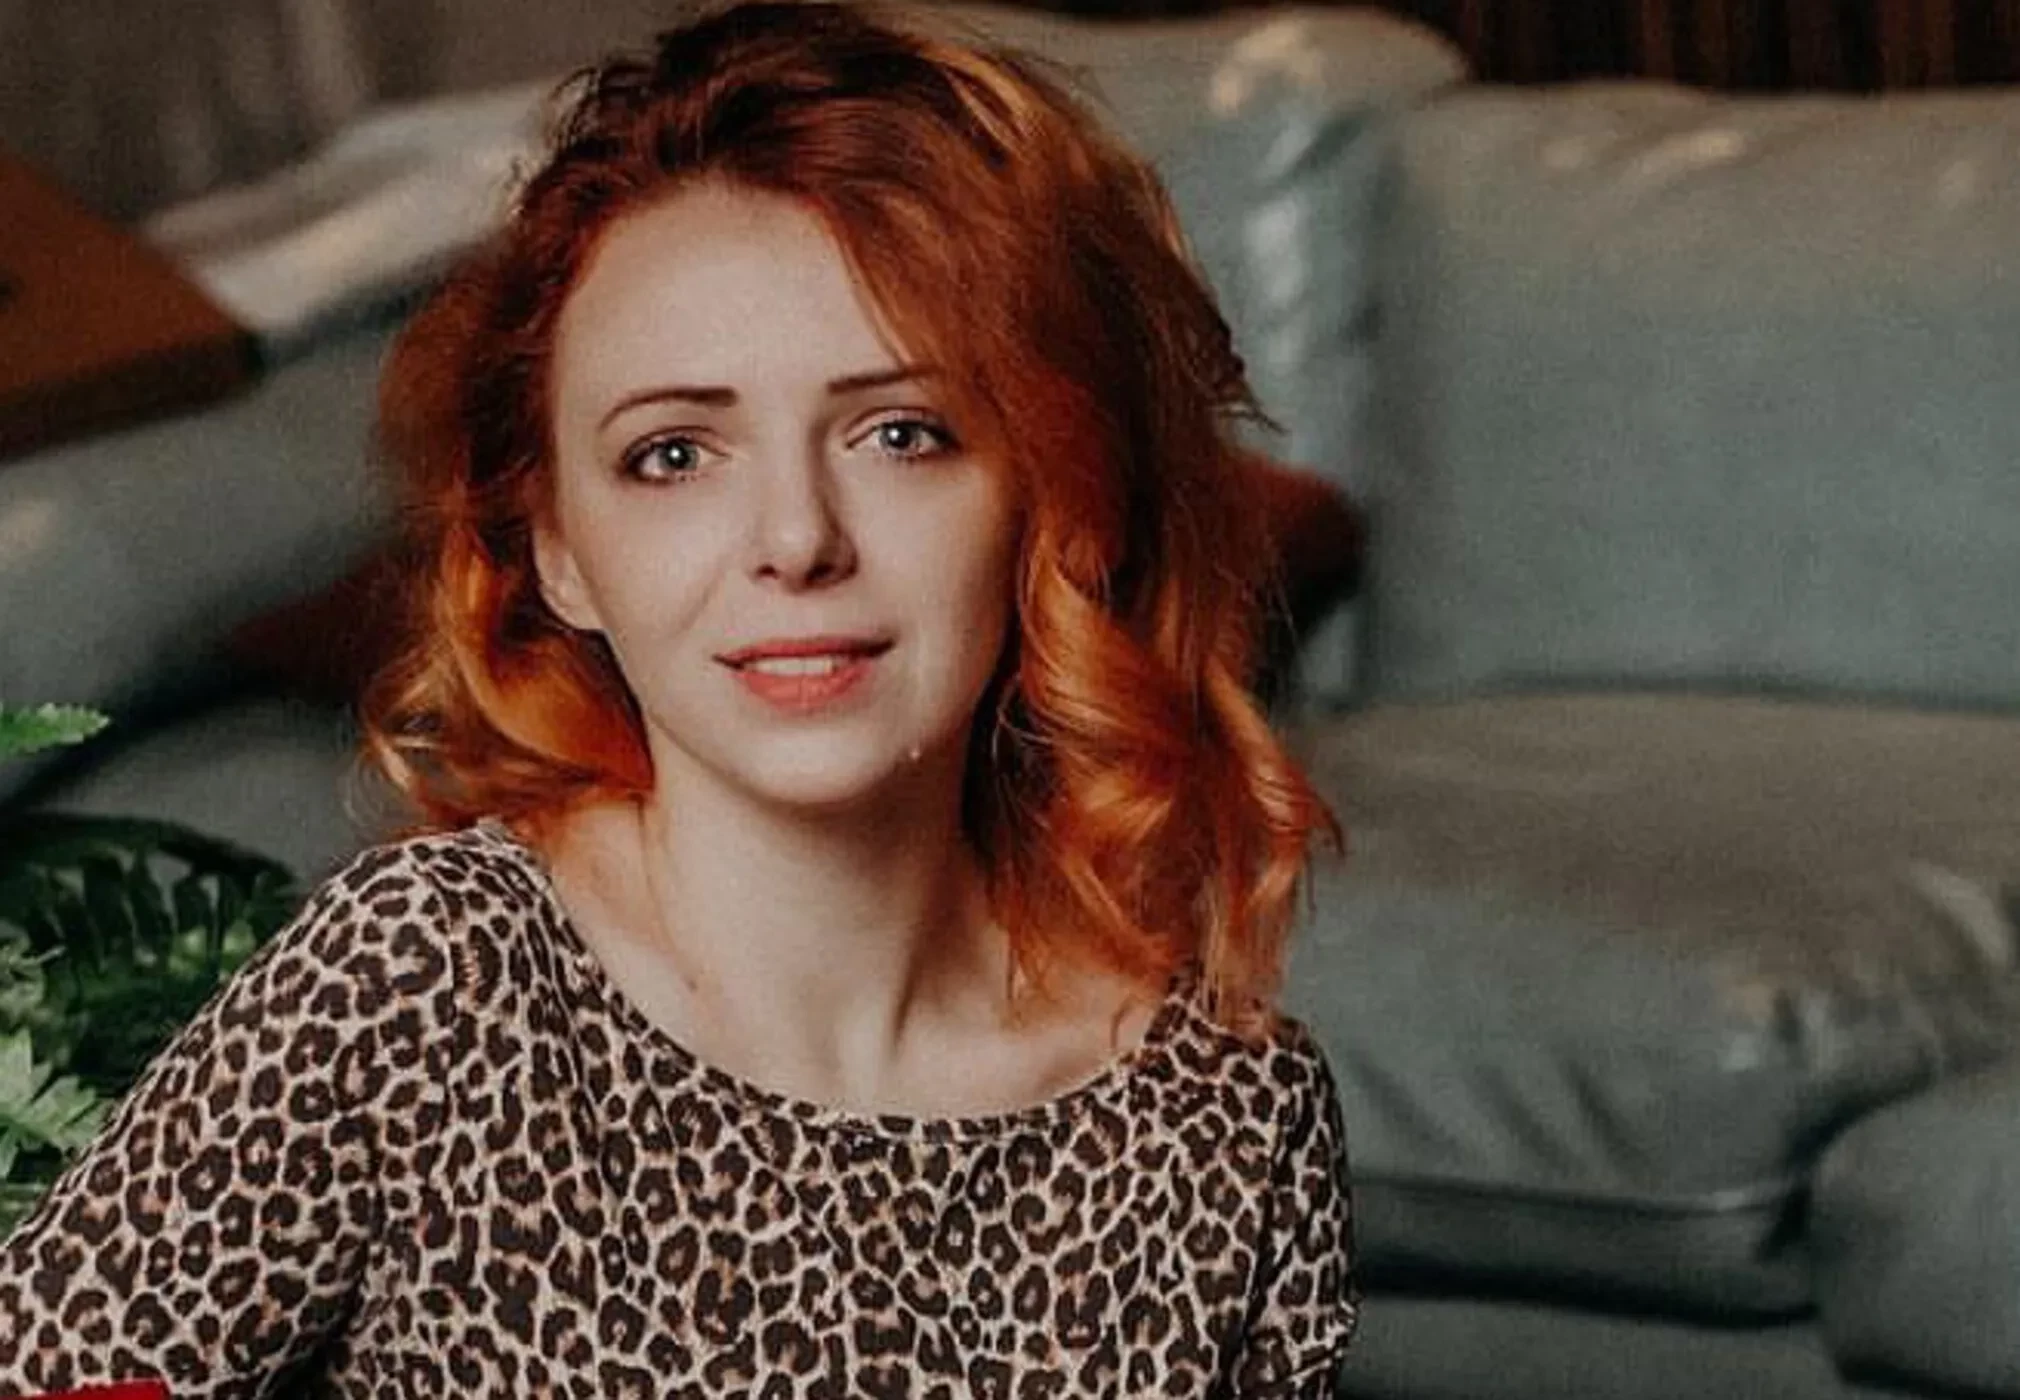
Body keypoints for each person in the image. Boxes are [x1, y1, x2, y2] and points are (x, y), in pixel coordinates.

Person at [0, 0, 1359, 1393]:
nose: (795, 538)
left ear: (1055, 501)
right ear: (560, 550)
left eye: (900, 433)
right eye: (673, 454)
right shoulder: (431, 981)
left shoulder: (1228, 1128)